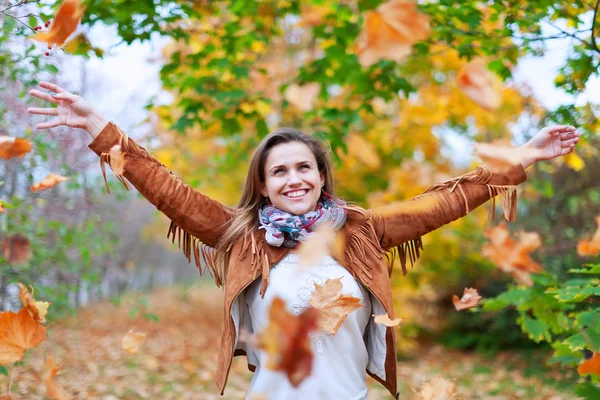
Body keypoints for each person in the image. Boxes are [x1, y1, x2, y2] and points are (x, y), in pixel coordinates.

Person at [28, 81, 580, 400]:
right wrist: (101, 131)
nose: (294, 179)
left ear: (320, 175)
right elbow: (169, 189)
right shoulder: (242, 236)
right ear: (264, 184)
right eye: (279, 172)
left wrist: (519, 156)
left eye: (303, 168)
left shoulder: (361, 232)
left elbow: (442, 201)